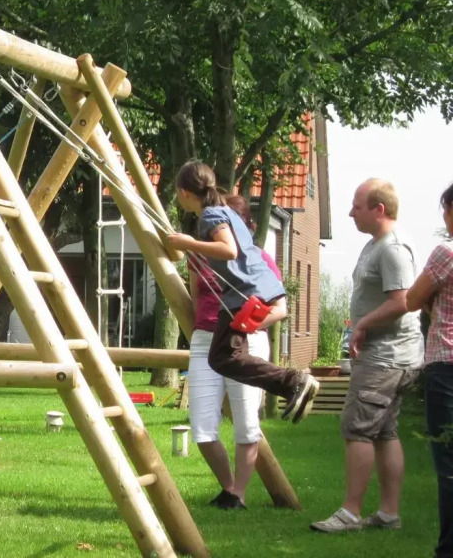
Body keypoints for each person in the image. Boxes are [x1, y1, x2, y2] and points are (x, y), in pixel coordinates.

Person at [166, 161, 318, 425]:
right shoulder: (225, 211)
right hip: (254, 288)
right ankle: (292, 384)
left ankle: (293, 380)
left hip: (243, 292)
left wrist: (190, 243)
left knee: (222, 357)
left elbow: (229, 250)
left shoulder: (210, 215)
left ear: (184, 192)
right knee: (225, 357)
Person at [311, 178, 423, 534]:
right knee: (385, 431)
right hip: (388, 356)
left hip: (386, 357)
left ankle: (350, 513)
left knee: (357, 428)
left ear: (379, 209)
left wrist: (362, 326)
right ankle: (388, 515)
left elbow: (402, 302)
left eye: (357, 207)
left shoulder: (393, 249)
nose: (350, 213)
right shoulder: (375, 245)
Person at [188, 194, 283, 510]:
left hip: (246, 341)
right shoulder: (200, 256)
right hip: (206, 340)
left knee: (246, 422)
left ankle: (238, 493)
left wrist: (249, 325)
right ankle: (229, 487)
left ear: (243, 226)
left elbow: (280, 308)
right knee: (202, 427)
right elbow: (195, 300)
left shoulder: (259, 260)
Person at [406, 181, 453, 555]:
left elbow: (411, 299)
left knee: (448, 462)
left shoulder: (445, 253)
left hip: (446, 366)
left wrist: (431, 303)